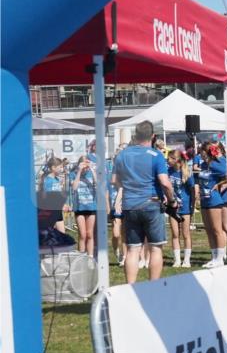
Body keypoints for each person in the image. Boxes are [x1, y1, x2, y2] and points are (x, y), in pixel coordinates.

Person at [112, 120, 177, 283]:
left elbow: (114, 180)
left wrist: (127, 189)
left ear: (136, 134)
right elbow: (164, 182)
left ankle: (130, 287)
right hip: (151, 204)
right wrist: (172, 200)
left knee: (132, 249)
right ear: (153, 136)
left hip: (130, 205)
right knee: (155, 247)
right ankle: (153, 287)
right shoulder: (156, 155)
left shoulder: (122, 155)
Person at [195, 143, 227, 268]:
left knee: (217, 230)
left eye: (202, 151)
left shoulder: (216, 164)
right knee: (209, 230)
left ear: (207, 151)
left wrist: (219, 184)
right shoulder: (203, 165)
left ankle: (220, 258)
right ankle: (214, 257)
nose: (200, 154)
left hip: (214, 200)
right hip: (204, 199)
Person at [167, 149, 195, 267]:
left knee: (186, 234)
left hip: (185, 207)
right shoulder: (168, 171)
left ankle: (186, 260)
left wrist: (192, 206)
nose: (167, 160)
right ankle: (177, 260)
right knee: (175, 233)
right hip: (172, 207)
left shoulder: (186, 173)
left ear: (176, 160)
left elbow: (193, 191)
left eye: (169, 158)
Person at [69, 155, 98, 256]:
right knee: (82, 234)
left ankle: (90, 257)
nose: (86, 167)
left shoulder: (91, 173)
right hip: (79, 207)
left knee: (90, 234)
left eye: (87, 165)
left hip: (91, 206)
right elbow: (74, 188)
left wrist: (92, 170)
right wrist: (79, 171)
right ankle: (81, 257)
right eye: (84, 165)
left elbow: (98, 185)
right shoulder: (73, 174)